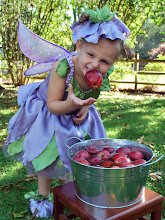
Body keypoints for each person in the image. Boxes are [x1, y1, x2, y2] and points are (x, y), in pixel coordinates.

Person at [2, 4, 134, 218]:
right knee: (48, 157)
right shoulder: (62, 67)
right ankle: (43, 197)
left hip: (73, 113)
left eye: (104, 61)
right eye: (90, 54)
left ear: (111, 63)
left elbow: (94, 92)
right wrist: (72, 105)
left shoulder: (101, 73)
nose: (95, 65)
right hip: (49, 113)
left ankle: (69, 192)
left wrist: (87, 105)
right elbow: (54, 104)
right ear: (79, 45)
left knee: (76, 155)